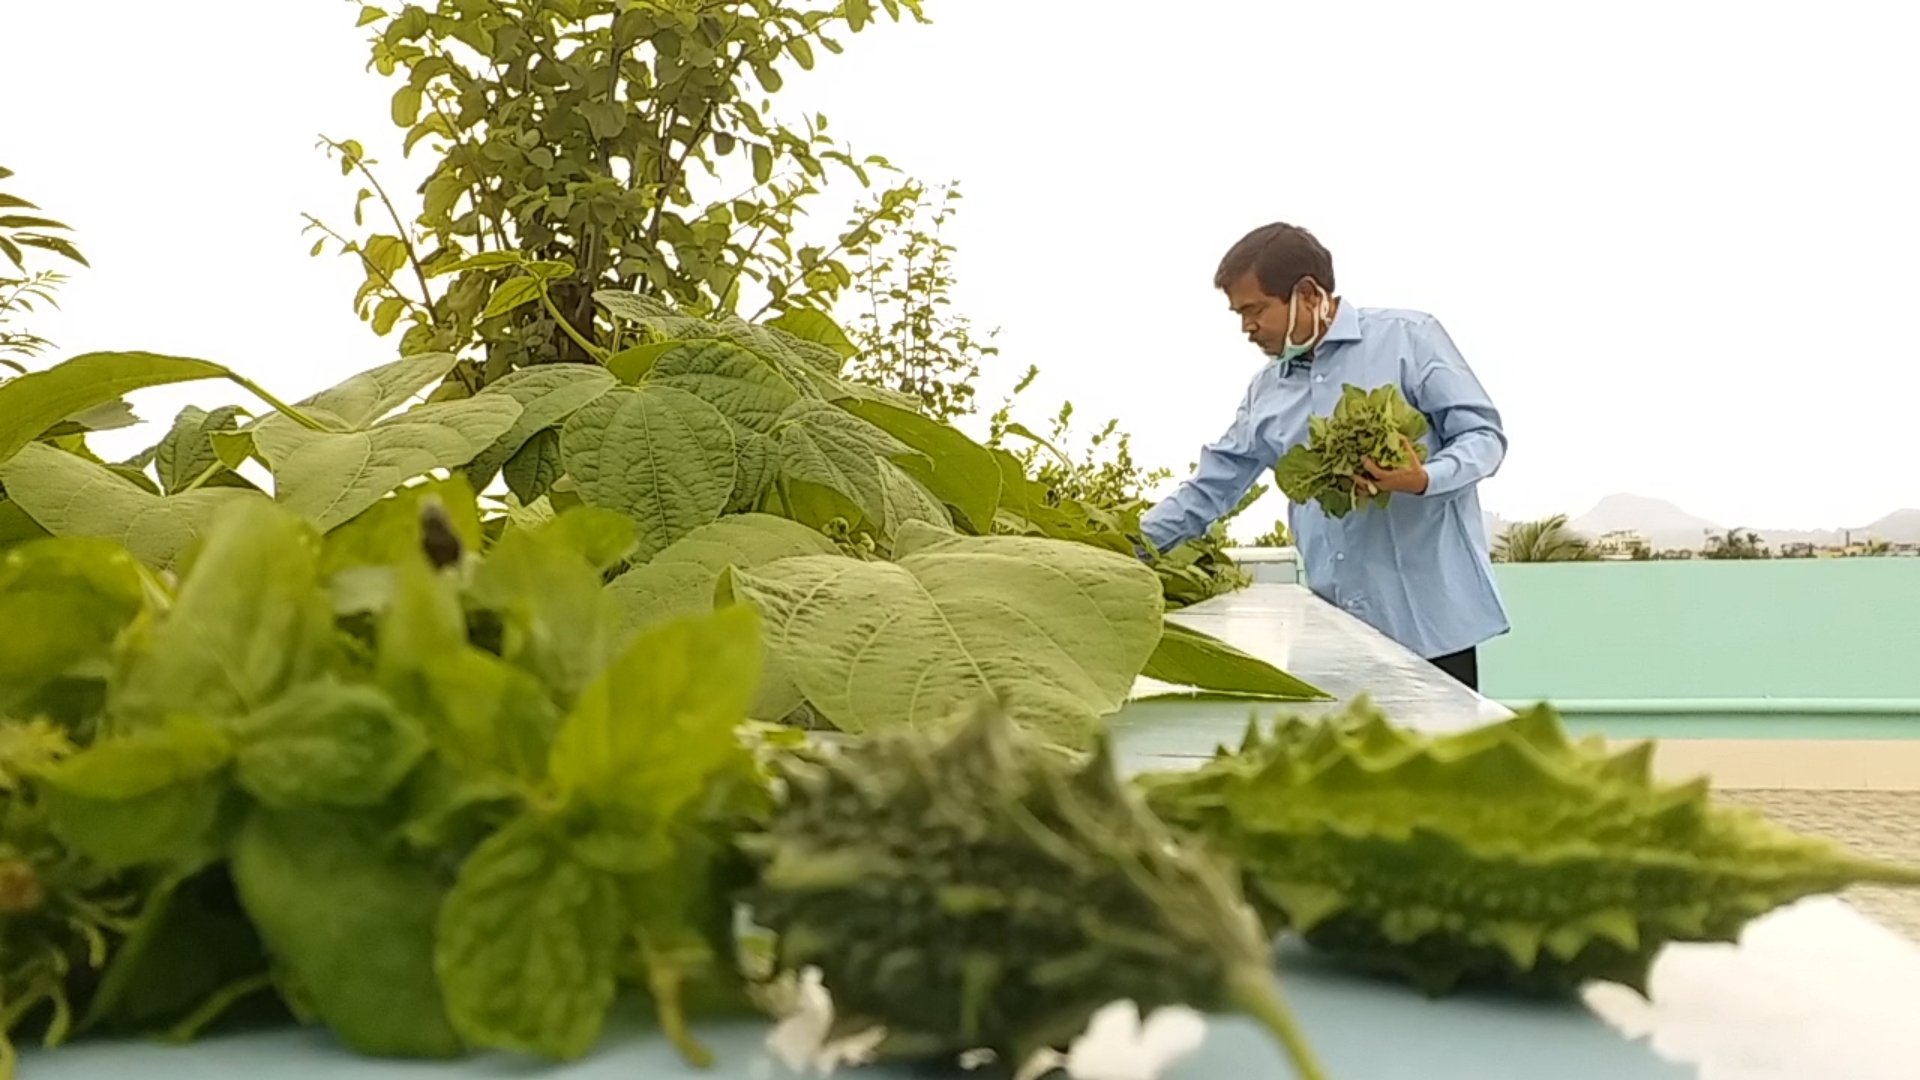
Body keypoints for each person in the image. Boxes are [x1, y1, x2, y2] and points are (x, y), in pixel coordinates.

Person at [1138, 222, 1509, 691]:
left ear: (1308, 295)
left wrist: (1423, 478)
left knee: (1440, 761)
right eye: (1238, 314)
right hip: (1334, 634)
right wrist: (1126, 548)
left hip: (1430, 629)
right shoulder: (1265, 391)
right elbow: (1211, 489)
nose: (1246, 328)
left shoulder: (1408, 338)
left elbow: (1484, 436)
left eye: (1255, 310)